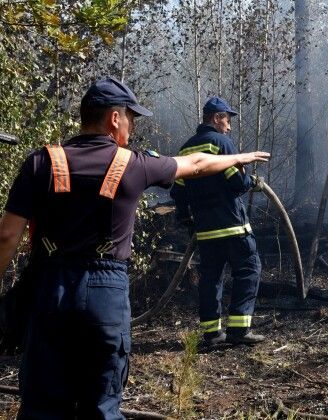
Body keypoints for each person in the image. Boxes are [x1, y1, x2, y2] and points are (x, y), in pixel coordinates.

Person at [0, 78, 270, 419]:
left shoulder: (41, 162)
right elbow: (197, 165)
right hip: (104, 294)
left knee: (42, 405)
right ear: (115, 119)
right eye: (131, 118)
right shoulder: (133, 163)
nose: (132, 126)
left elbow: (7, 237)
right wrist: (239, 156)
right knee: (101, 405)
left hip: (49, 288)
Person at [170, 97, 264, 348]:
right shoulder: (222, 143)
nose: (229, 126)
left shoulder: (185, 149)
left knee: (211, 277)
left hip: (205, 230)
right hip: (233, 226)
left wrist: (187, 218)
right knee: (248, 270)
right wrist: (252, 181)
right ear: (216, 118)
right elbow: (237, 184)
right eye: (227, 119)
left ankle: (212, 334)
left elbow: (178, 191)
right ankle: (239, 329)